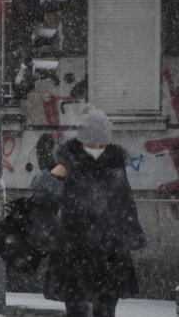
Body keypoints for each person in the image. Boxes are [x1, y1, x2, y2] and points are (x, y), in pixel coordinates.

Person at [32, 104, 147, 317]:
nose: (95, 147)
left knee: (106, 308)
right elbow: (43, 200)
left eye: (100, 143)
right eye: (90, 142)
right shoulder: (66, 161)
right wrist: (54, 177)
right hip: (74, 248)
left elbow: (125, 202)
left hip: (109, 250)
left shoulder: (114, 163)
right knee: (75, 308)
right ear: (81, 140)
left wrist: (130, 232)